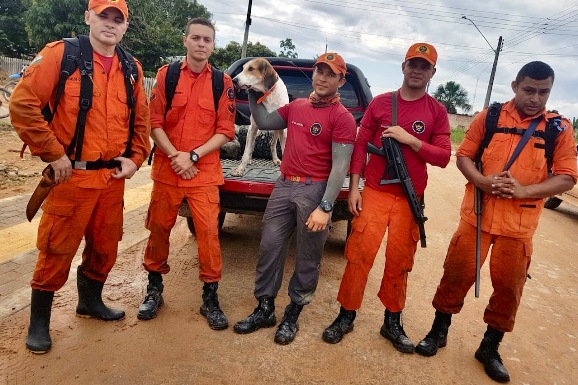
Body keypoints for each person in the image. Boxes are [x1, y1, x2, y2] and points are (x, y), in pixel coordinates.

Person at [415, 61, 577, 382]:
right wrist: (483, 181)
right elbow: (463, 156)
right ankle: (438, 331)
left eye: (543, 92)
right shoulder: (489, 117)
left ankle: (490, 347)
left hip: (519, 228)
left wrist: (523, 190)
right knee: (456, 275)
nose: (535, 98)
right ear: (515, 85)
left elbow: (567, 177)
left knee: (508, 288)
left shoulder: (558, 128)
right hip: (477, 216)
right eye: (529, 89)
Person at [9, 0, 151, 354]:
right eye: (104, 15)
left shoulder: (131, 67)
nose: (110, 24)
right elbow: (22, 106)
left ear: (125, 27)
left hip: (111, 181)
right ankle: (39, 321)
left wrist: (135, 159)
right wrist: (54, 154)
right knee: (56, 248)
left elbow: (141, 123)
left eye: (118, 19)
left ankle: (90, 301)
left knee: (105, 247)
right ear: (88, 16)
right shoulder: (61, 55)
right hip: (71, 177)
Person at [321, 43, 451, 353]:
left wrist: (411, 140)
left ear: (433, 72)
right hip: (376, 195)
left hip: (409, 200)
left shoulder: (437, 111)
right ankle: (345, 315)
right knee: (359, 257)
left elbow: (444, 157)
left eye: (424, 66)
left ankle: (392, 321)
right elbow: (359, 146)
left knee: (400, 262)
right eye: (413, 64)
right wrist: (354, 188)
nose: (417, 70)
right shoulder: (380, 104)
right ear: (403, 67)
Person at [233, 53, 357, 345]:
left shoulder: (342, 118)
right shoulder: (296, 106)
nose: (322, 78)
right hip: (284, 185)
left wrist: (326, 207)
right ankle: (265, 308)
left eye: (330, 74)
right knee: (269, 246)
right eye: (319, 71)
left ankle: (293, 311)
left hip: (314, 191)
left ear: (341, 80)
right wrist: (253, 91)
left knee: (308, 255)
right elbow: (263, 122)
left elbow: (340, 167)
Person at [137, 17, 235, 330]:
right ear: (186, 41)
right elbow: (154, 123)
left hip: (203, 172)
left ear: (213, 45)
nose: (201, 44)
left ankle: (210, 297)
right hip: (168, 169)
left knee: (208, 234)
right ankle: (155, 290)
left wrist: (192, 155)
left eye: (207, 39)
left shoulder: (222, 83)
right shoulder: (167, 76)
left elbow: (225, 131)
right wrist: (175, 156)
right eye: (196, 38)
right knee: (158, 229)